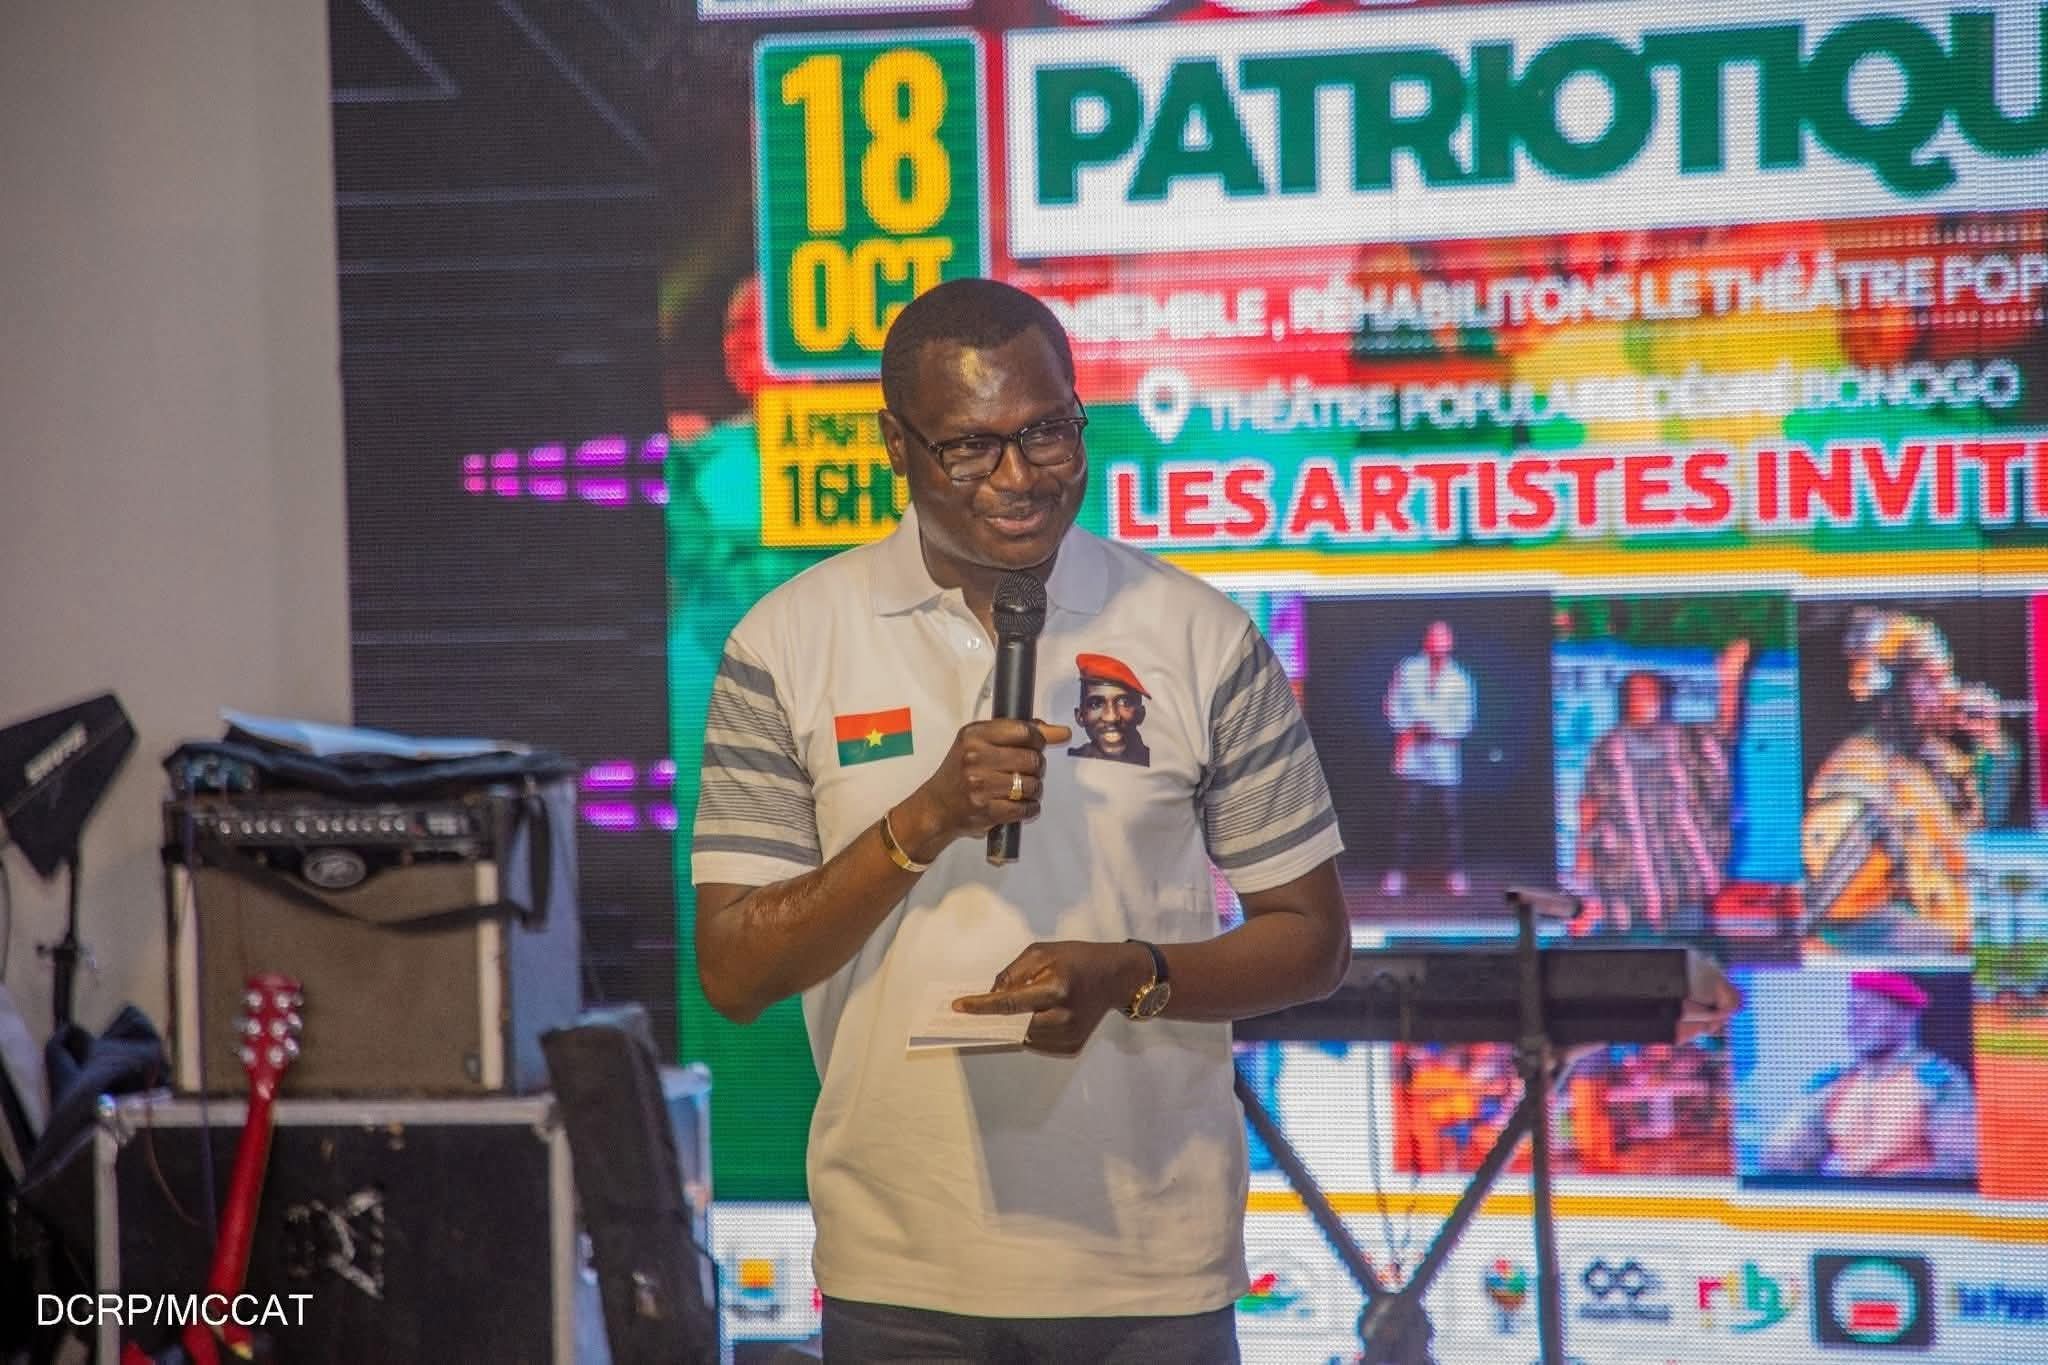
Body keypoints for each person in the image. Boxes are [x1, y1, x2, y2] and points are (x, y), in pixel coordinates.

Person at [691, 278, 1349, 1363]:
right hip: (900, 1271)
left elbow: (1312, 939)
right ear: (896, 446)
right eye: (969, 447)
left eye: (1048, 431)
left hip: (1151, 1272)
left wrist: (1132, 974)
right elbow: (734, 968)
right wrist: (922, 820)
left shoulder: (1201, 635)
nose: (1020, 477)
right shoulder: (785, 644)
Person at [1803, 608, 2019, 954]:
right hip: (1904, 971)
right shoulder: (1856, 779)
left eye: (1947, 678)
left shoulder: (1934, 756)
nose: (1949, 693)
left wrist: (1994, 747)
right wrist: (1940, 945)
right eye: (1932, 681)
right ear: (1891, 692)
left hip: (1960, 949)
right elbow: (1839, 918)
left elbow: (1978, 830)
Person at [1570, 640, 1748, 936]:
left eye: (1655, 692)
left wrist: (1730, 679)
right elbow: (1590, 809)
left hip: (1681, 882)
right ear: (1626, 701)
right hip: (1626, 883)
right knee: (1634, 957)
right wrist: (1583, 868)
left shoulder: (1686, 739)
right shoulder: (1608, 749)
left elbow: (1724, 732)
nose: (1651, 697)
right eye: (1642, 692)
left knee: (1685, 956)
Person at [1757, 972, 1976, 1181]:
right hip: (1846, 1200)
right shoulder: (1838, 1084)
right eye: (1853, 1011)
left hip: (1909, 1202)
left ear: (1906, 1017)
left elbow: (1962, 1165)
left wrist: (1890, 1185)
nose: (1857, 1022)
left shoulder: (1937, 1082)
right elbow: (1784, 1155)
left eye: (1870, 1010)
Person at [1380, 621, 1474, 896]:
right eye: (1434, 640)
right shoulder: (1407, 669)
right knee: (1405, 816)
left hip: (1443, 754)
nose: (1438, 646)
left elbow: (1465, 721)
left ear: (1450, 644)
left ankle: (1454, 873)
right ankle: (1396, 873)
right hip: (1411, 751)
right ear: (1426, 641)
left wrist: (1436, 730)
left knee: (1450, 817)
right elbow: (1392, 704)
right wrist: (1410, 727)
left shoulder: (1460, 678)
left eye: (1443, 641)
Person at [1067, 652, 1151, 765]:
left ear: (1140, 714)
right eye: (1095, 704)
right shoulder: (1069, 762)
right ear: (1080, 716)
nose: (1111, 717)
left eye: (1124, 702)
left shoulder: (1160, 763)